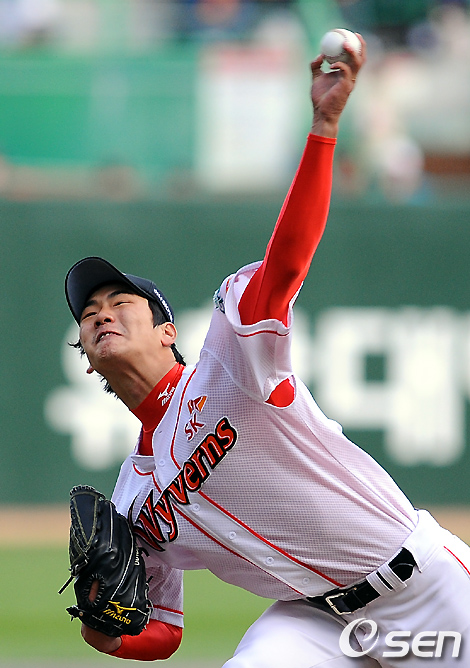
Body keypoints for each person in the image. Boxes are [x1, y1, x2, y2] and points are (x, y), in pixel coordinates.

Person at [64, 36, 470, 667]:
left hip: (423, 586)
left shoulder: (230, 361)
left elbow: (285, 264)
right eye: (88, 315)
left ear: (167, 331)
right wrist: (108, 634)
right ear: (87, 359)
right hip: (313, 620)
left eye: (121, 302)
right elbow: (164, 629)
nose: (101, 314)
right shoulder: (131, 502)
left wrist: (324, 129)